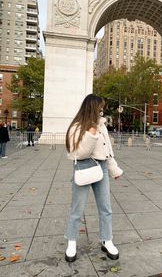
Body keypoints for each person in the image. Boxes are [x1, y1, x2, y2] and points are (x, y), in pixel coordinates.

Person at [64, 94, 123, 263]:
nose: (102, 111)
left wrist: (114, 169)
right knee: (77, 208)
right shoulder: (77, 126)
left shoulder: (102, 126)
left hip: (102, 168)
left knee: (106, 208)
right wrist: (91, 133)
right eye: (100, 108)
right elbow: (79, 153)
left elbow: (107, 151)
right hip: (83, 167)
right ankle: (72, 241)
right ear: (92, 108)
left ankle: (107, 240)